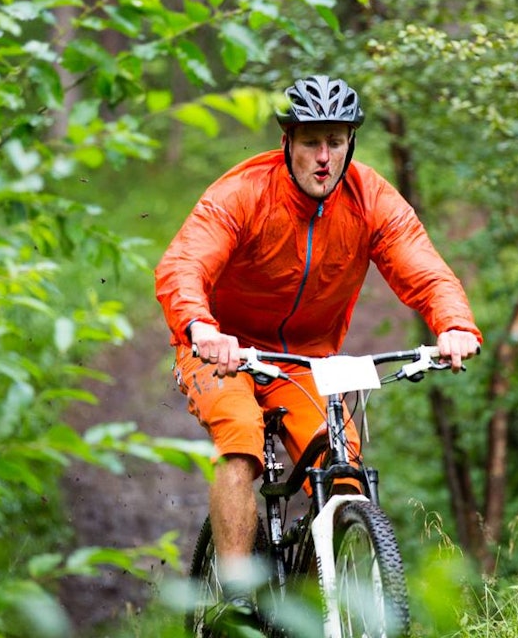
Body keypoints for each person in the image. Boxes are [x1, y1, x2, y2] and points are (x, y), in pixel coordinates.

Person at [154, 75, 482, 625]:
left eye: (335, 140)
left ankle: (308, 611)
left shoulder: (369, 197)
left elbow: (422, 266)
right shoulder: (244, 193)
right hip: (220, 348)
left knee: (343, 471)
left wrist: (454, 325)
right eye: (311, 141)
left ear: (350, 142)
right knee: (240, 444)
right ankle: (235, 608)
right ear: (288, 141)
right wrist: (200, 327)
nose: (324, 157)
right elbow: (183, 265)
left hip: (306, 360)